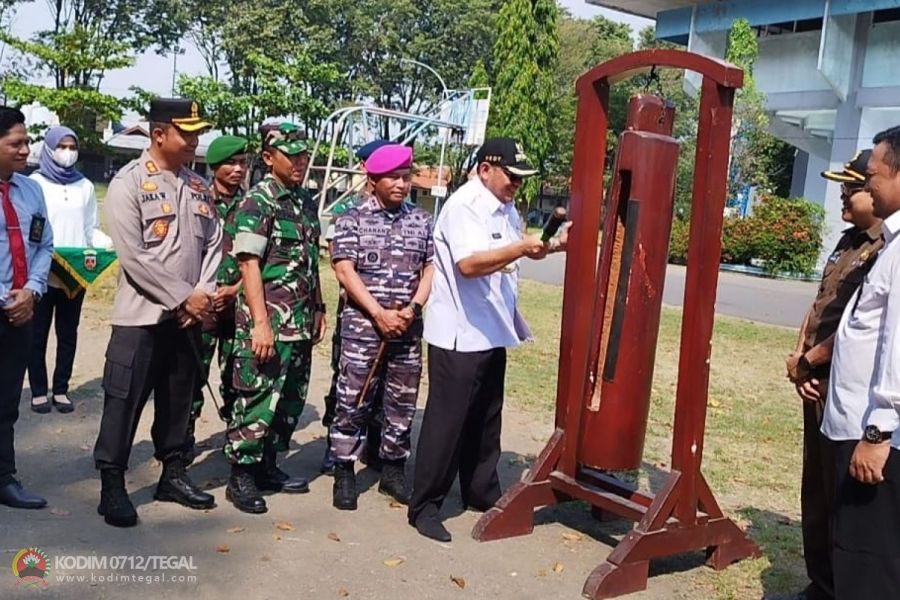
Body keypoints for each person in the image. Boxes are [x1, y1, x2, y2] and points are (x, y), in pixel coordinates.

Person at [407, 137, 568, 541]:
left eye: (520, 178)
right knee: (447, 422)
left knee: (485, 418)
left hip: (492, 328)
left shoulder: (506, 208)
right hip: (460, 332)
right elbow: (469, 264)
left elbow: (513, 254)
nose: (516, 184)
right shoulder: (465, 207)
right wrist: (520, 246)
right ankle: (425, 505)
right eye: (510, 175)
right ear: (485, 169)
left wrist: (544, 247)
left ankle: (481, 491)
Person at [93, 98, 222, 527]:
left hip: (186, 319)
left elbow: (214, 246)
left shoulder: (199, 186)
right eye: (187, 132)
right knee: (123, 402)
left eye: (197, 132)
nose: (195, 140)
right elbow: (134, 256)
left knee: (178, 401)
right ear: (158, 134)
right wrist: (185, 297)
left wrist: (201, 294)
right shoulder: (129, 183)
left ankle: (173, 473)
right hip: (141, 318)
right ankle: (112, 485)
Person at [785, 150, 883, 600]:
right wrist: (798, 353)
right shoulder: (847, 241)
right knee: (816, 489)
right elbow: (819, 304)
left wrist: (813, 364)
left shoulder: (885, 248)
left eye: (851, 187)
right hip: (814, 383)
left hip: (841, 389)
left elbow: (855, 328)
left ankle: (839, 586)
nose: (842, 195)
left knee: (842, 497)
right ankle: (819, 584)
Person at [224, 122, 326, 514]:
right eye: (292, 154)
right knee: (256, 398)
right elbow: (249, 264)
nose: (301, 161)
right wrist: (261, 323)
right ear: (269, 158)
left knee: (288, 399)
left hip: (299, 321)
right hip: (267, 321)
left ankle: (267, 465)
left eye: (304, 154)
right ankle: (242, 475)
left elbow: (311, 262)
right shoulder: (258, 201)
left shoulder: (304, 201)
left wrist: (318, 307)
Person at [329, 143, 434, 511]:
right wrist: (378, 313)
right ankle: (344, 469)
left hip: (406, 328)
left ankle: (392, 469)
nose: (402, 184)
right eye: (394, 177)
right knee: (353, 399)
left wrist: (413, 306)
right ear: (373, 179)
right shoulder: (352, 218)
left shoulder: (420, 220)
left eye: (406, 177)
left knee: (401, 401)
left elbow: (429, 268)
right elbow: (344, 269)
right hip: (364, 330)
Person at [822, 126, 900, 598]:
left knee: (869, 563)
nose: (864, 185)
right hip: (859, 424)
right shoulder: (889, 242)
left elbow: (898, 345)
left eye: (872, 175)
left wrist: (877, 434)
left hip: (875, 435)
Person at [27, 126, 111, 415]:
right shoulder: (34, 184)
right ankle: (39, 390)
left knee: (68, 333)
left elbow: (91, 228)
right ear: (49, 149)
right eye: (61, 146)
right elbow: (31, 228)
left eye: (71, 146)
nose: (67, 152)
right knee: (37, 334)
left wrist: (105, 245)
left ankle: (60, 389)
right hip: (42, 271)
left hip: (75, 275)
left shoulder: (85, 186)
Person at [321, 138, 390, 475]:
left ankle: (375, 448)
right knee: (348, 384)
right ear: (368, 170)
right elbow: (340, 267)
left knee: (384, 386)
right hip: (357, 315)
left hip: (394, 317)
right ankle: (337, 450)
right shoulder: (345, 213)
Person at [0, 106, 53, 509]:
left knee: (5, 402)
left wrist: (32, 291)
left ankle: (4, 477)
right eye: (15, 143)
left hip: (19, 311)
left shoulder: (31, 190)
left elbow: (43, 244)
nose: (25, 150)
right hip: (6, 302)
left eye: (26, 142)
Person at [185, 135, 248, 462]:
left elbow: (259, 258)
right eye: (231, 163)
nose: (238, 169)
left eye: (242, 163)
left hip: (239, 304)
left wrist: (235, 289)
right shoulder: (197, 199)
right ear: (214, 166)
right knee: (193, 373)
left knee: (237, 375)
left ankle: (237, 438)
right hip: (202, 303)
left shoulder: (252, 204)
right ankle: (184, 437)